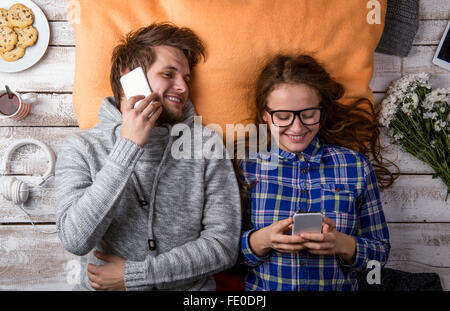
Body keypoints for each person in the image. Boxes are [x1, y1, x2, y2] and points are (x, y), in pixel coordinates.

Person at [55, 23, 241, 291]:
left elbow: (222, 247)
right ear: (130, 79)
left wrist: (136, 275)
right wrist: (128, 147)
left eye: (186, 79)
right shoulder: (82, 147)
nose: (182, 87)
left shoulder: (206, 144)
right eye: (169, 74)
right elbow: (75, 239)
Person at [236, 54, 391, 291]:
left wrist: (343, 244)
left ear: (321, 110)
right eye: (283, 116)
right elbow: (222, 255)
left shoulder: (355, 166)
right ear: (266, 116)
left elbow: (379, 256)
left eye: (308, 115)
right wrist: (263, 240)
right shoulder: (247, 167)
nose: (297, 128)